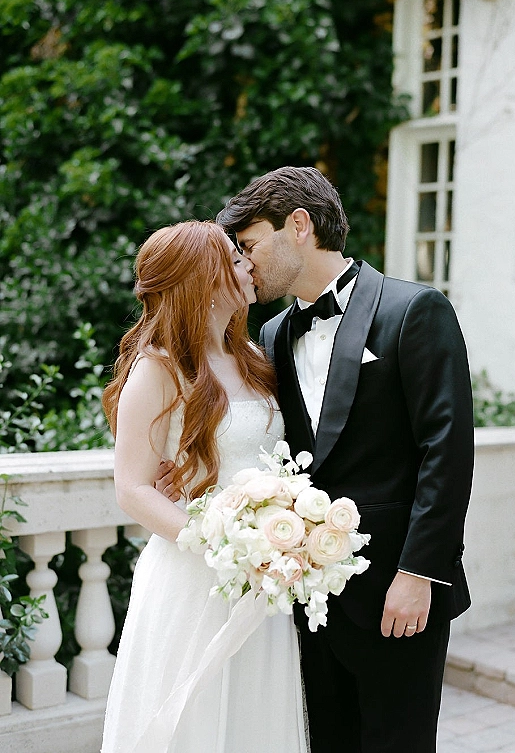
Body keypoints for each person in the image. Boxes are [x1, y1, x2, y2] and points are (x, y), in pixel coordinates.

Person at [214, 166, 475, 753]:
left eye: (250, 245)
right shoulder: (276, 332)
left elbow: (448, 451)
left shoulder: (414, 310)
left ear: (299, 226)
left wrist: (418, 573)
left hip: (397, 592)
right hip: (309, 597)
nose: (246, 264)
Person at [100, 220, 308, 753]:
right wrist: (225, 547)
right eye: (234, 259)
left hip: (262, 580)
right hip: (196, 578)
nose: (247, 266)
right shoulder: (159, 369)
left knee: (252, 720)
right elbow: (133, 488)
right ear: (202, 279)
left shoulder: (254, 359)